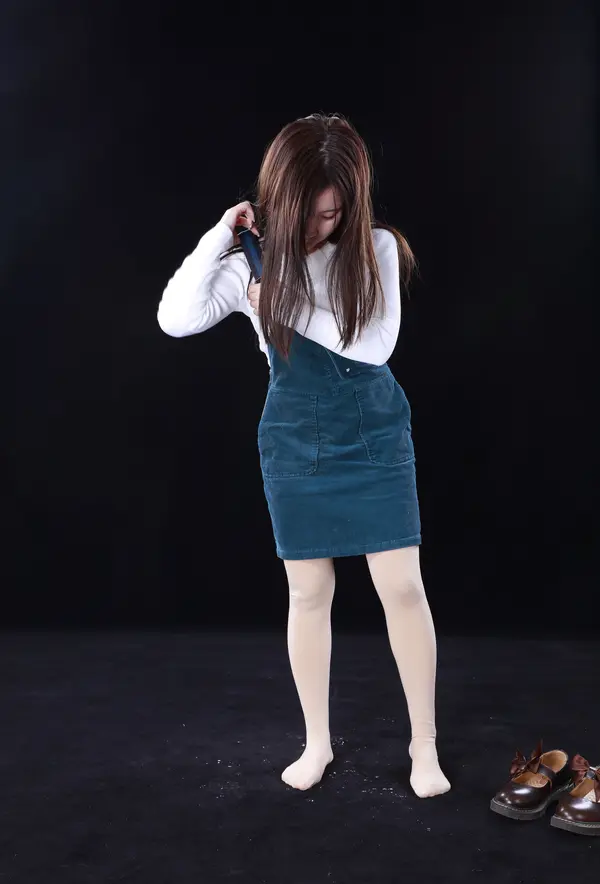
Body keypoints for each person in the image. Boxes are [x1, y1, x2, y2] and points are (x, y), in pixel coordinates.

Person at [157, 113, 451, 799]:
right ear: (279, 203)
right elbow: (175, 319)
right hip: (294, 439)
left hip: (374, 434)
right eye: (310, 213)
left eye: (333, 212)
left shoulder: (374, 248)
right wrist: (220, 236)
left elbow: (374, 346)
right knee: (308, 592)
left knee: (402, 587)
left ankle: (424, 745)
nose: (322, 226)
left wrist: (285, 307)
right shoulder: (250, 264)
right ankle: (316, 742)